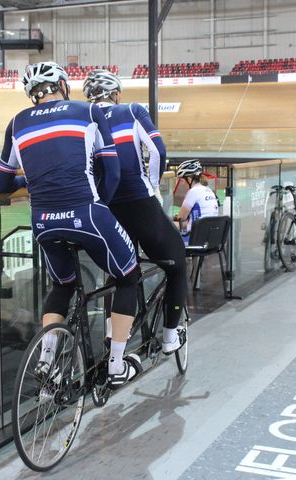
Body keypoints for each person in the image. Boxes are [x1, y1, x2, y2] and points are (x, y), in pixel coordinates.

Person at [0, 62, 141, 388]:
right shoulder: (88, 111)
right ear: (62, 84)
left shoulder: (16, 123)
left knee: (63, 285)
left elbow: (2, 184)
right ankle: (116, 365)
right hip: (88, 215)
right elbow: (112, 172)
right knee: (128, 276)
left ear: (31, 94)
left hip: (43, 222)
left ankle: (47, 358)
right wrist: (99, 207)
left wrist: (26, 178)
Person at [83, 69, 187, 354]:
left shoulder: (84, 117)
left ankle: (112, 337)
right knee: (177, 263)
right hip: (139, 202)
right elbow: (158, 150)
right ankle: (169, 337)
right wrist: (152, 185)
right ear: (116, 94)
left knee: (120, 272)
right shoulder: (132, 110)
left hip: (104, 206)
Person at [175, 159, 220, 242]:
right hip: (211, 239)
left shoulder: (193, 191)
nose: (181, 183)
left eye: (181, 180)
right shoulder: (209, 190)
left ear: (189, 179)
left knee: (168, 230)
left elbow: (180, 219)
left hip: (195, 239)